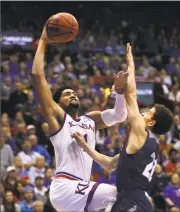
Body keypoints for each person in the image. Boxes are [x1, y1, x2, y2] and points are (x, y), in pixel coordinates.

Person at [31, 26, 128, 212]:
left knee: (119, 201)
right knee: (118, 194)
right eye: (67, 94)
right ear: (58, 103)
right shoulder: (58, 118)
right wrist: (43, 41)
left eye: (74, 92)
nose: (73, 94)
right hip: (66, 187)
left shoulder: (90, 120)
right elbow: (37, 76)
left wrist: (121, 93)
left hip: (80, 190)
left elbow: (119, 115)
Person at [72, 43, 174, 212]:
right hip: (133, 200)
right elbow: (110, 163)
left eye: (149, 112)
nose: (144, 113)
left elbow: (131, 95)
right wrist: (84, 146)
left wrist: (130, 65)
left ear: (151, 123)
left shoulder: (142, 133)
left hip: (132, 202)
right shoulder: (148, 144)